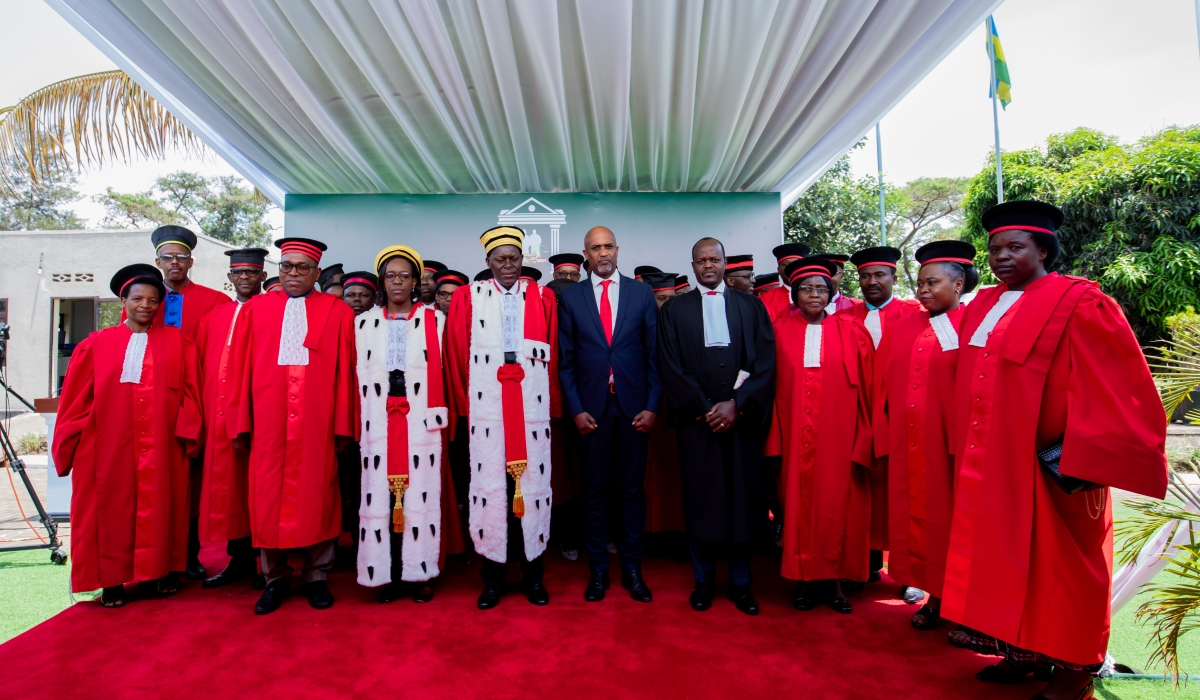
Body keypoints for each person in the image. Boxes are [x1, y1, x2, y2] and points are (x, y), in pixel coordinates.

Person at [942, 202, 1167, 699]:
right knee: (1004, 562)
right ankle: (1022, 654)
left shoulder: (1081, 301)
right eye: (995, 248)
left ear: (1043, 249)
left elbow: (1116, 382)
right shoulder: (981, 305)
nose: (1002, 257)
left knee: (1066, 570)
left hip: (1053, 466)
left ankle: (1074, 672)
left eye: (1015, 247)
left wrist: (1085, 454)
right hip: (993, 463)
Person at [53, 264, 202, 607]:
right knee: (111, 511)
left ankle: (161, 573)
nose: (145, 306)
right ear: (124, 300)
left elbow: (191, 395)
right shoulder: (96, 345)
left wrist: (188, 437)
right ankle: (112, 581)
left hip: (163, 444)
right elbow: (75, 401)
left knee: (163, 506)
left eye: (153, 300)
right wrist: (70, 444)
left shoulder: (179, 342)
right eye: (138, 299)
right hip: (107, 445)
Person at [226, 237, 360, 615]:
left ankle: (318, 576)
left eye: (303, 268)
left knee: (320, 495)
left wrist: (344, 425)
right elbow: (237, 372)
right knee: (268, 499)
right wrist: (240, 423)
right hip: (268, 423)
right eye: (288, 267)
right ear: (278, 271)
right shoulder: (255, 310)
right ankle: (275, 579)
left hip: (318, 423)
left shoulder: (337, 312)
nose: (294, 274)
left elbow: (347, 373)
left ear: (317, 273)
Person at [657, 237, 775, 615]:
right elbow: (670, 366)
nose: (708, 266)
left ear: (725, 263)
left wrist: (736, 406)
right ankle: (703, 581)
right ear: (692, 265)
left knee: (742, 501)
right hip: (698, 422)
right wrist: (706, 408)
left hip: (740, 422)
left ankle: (741, 584)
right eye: (701, 260)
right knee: (702, 503)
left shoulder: (751, 306)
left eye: (714, 259)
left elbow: (766, 363)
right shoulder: (674, 311)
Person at [445, 226, 559, 609]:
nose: (508, 266)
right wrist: (466, 408)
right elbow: (458, 355)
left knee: (532, 491)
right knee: (491, 491)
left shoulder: (542, 297)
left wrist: (552, 405)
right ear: (487, 262)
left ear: (523, 260)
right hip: (488, 409)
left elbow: (553, 352)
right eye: (500, 259)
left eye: (514, 258)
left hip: (530, 409)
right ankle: (491, 579)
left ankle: (534, 577)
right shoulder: (467, 297)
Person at [873, 240, 978, 630]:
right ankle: (934, 595)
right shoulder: (904, 327)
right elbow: (880, 388)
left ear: (959, 283)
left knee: (958, 523)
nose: (923, 291)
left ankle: (963, 603)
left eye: (932, 283)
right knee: (921, 520)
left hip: (954, 449)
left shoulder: (975, 325)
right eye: (919, 284)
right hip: (911, 446)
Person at [557, 226, 662, 603]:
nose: (602, 253)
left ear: (617, 250)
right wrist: (576, 410)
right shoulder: (571, 298)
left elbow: (654, 356)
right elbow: (565, 364)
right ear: (585, 254)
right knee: (594, 493)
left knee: (632, 492)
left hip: (634, 409)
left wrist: (652, 406)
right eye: (595, 248)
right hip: (592, 412)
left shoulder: (641, 293)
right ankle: (598, 571)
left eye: (608, 246)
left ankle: (633, 570)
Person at [768, 256, 874, 614]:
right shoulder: (778, 330)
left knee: (836, 508)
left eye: (821, 288)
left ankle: (834, 584)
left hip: (838, 438)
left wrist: (865, 438)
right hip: (795, 435)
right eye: (806, 289)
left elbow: (869, 392)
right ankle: (801, 580)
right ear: (794, 293)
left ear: (831, 293)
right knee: (797, 507)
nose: (814, 294)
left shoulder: (853, 331)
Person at [355, 245, 450, 604]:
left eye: (405, 275)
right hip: (378, 422)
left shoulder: (435, 322)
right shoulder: (362, 324)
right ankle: (385, 572)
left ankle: (420, 571)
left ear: (415, 282)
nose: (398, 281)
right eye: (391, 275)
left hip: (420, 423)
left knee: (419, 498)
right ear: (382, 280)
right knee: (378, 496)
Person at [149, 225, 233, 580]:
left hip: (199, 398)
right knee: (157, 480)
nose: (175, 264)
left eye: (181, 258)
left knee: (193, 481)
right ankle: (155, 557)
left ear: (191, 262)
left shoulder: (215, 302)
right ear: (158, 262)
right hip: (154, 404)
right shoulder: (145, 299)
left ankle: (189, 555)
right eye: (168, 258)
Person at [845, 246, 923, 587]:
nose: (871, 282)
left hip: (901, 417)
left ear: (894, 276)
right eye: (864, 276)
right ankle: (868, 564)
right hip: (859, 417)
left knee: (905, 494)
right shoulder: (847, 317)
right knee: (866, 493)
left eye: (879, 275)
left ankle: (910, 574)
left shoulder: (914, 313)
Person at [198, 248, 268, 590]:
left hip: (255, 415)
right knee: (230, 493)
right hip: (218, 413)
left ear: (262, 278)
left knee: (255, 488)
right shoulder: (215, 317)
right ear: (229, 278)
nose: (244, 278)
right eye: (238, 273)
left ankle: (265, 563)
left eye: (251, 273)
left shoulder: (269, 312)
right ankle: (238, 560)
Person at [640, 273, 686, 539]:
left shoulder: (681, 326)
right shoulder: (638, 327)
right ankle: (649, 531)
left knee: (673, 468)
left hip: (676, 405)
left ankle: (675, 530)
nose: (667, 304)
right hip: (647, 404)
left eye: (671, 298)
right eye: (661, 299)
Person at [760, 243, 810, 320]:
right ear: (778, 270)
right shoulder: (764, 299)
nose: (792, 269)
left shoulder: (819, 296)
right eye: (787, 265)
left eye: (797, 264)